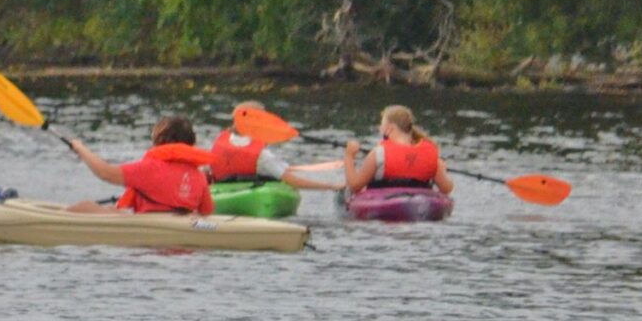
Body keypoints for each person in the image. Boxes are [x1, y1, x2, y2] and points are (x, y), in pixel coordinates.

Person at [65, 116, 214, 215]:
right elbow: (207, 212)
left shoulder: (151, 168)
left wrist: (80, 149)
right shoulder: (199, 176)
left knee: (84, 206)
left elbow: (105, 173)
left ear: (161, 141)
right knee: (110, 209)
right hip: (180, 228)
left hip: (149, 230)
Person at [209, 101, 340, 193]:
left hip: (222, 190)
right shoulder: (263, 156)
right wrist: (331, 186)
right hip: (256, 191)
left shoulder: (218, 142)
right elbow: (293, 181)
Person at [341, 104, 454, 197]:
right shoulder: (431, 154)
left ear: (389, 128)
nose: (380, 128)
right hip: (420, 201)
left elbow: (355, 186)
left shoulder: (378, 154)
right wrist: (441, 169)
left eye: (381, 124)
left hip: (384, 204)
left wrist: (349, 156)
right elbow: (446, 189)